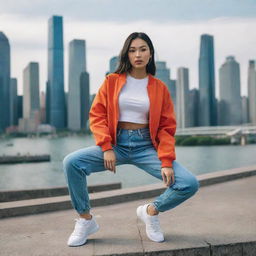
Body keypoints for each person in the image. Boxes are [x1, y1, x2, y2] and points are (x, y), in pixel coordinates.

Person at [63, 32, 200, 247]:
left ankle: (150, 211)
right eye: (133, 50)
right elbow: (97, 115)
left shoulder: (160, 88)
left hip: (146, 146)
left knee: (189, 183)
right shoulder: (112, 81)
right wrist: (106, 146)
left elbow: (166, 128)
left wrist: (166, 162)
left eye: (143, 49)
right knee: (72, 163)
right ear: (126, 54)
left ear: (150, 54)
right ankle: (85, 219)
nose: (138, 54)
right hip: (116, 144)